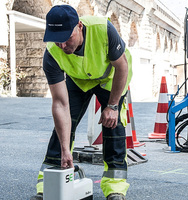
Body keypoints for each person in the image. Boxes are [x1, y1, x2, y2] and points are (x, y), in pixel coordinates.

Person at [30, 4, 132, 200]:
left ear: (79, 26)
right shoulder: (51, 53)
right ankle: (48, 184)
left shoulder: (103, 29)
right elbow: (60, 104)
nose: (62, 46)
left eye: (67, 39)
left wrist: (112, 106)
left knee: (114, 126)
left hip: (110, 78)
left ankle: (115, 188)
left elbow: (122, 68)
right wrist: (65, 149)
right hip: (78, 81)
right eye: (57, 40)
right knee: (62, 128)